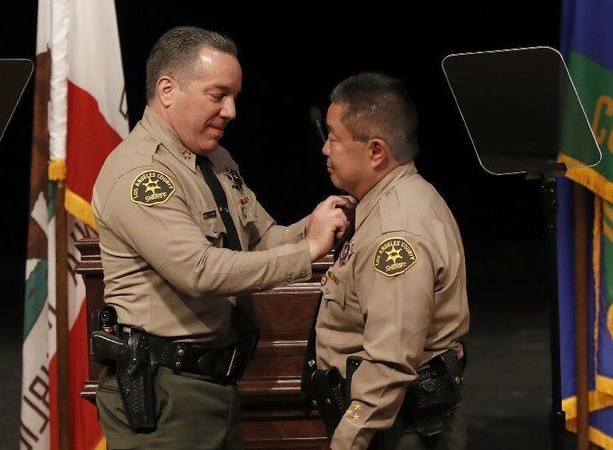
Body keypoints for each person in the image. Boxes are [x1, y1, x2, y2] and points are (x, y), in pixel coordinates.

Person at [91, 26, 350, 449]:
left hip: (213, 384)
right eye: (218, 95)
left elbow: (264, 238)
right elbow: (199, 271)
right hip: (166, 395)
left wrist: (316, 223)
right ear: (168, 90)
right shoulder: (142, 175)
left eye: (234, 97)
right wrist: (309, 250)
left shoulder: (215, 159)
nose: (231, 111)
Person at [306, 73, 470, 449]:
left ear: (377, 151)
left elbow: (390, 363)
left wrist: (346, 442)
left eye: (333, 137)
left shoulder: (395, 233)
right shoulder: (386, 205)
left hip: (401, 433)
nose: (325, 150)